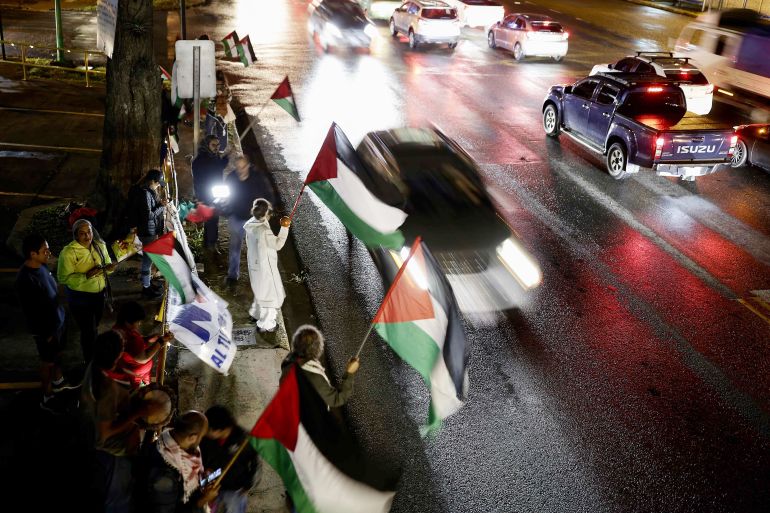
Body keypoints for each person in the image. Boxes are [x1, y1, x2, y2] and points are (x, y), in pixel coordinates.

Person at [79, 330, 166, 513]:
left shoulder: (95, 365)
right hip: (112, 452)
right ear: (119, 355)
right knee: (117, 501)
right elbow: (106, 432)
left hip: (97, 440)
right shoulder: (107, 390)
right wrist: (139, 412)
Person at [15, 233, 77, 412]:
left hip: (58, 322)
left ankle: (58, 381)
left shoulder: (41, 267)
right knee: (47, 362)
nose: (49, 252)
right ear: (33, 254)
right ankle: (47, 396)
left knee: (57, 356)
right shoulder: (25, 280)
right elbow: (32, 312)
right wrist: (46, 334)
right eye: (45, 250)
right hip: (47, 331)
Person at [137, 410, 220, 513]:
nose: (202, 440)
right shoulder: (165, 475)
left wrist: (206, 479)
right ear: (192, 438)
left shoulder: (174, 443)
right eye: (201, 437)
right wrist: (203, 500)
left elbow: (190, 484)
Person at [58, 219, 116, 364]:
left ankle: (92, 354)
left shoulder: (100, 245)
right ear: (76, 235)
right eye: (82, 233)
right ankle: (90, 362)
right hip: (80, 298)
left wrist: (110, 268)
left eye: (89, 232)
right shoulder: (69, 252)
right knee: (88, 330)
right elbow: (63, 278)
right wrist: (85, 276)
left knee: (94, 326)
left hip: (99, 295)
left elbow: (107, 266)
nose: (87, 236)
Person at [224, 156, 276, 289]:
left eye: (243, 167)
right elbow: (225, 198)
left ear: (248, 166)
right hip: (236, 219)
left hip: (254, 222)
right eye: (238, 168)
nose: (241, 171)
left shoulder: (257, 178)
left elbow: (269, 195)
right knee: (235, 247)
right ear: (235, 168)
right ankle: (232, 276)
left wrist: (267, 211)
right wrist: (226, 210)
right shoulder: (231, 178)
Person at [280, 325, 360, 409]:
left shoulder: (290, 359)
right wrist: (350, 373)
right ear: (317, 349)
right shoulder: (313, 376)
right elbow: (336, 399)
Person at [200, 406, 261, 513]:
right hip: (210, 487)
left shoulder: (244, 441)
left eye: (208, 429)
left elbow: (255, 464)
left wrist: (248, 485)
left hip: (235, 490)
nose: (204, 432)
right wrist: (206, 476)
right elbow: (203, 460)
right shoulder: (206, 440)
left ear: (219, 430)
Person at [244, 199, 291, 333]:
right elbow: (277, 244)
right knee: (271, 297)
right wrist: (284, 228)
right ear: (266, 213)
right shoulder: (264, 230)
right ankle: (266, 324)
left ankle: (255, 313)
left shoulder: (250, 224)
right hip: (265, 268)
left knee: (260, 292)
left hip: (254, 265)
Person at [110, 301, 173, 388]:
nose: (139, 324)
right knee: (137, 390)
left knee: (145, 382)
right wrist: (161, 341)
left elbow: (131, 347)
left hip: (133, 369)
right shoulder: (131, 337)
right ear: (127, 322)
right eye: (137, 322)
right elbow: (143, 358)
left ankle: (145, 385)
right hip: (135, 374)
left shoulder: (117, 329)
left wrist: (147, 339)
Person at [127, 169, 168, 299]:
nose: (158, 186)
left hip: (150, 230)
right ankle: (146, 288)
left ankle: (148, 284)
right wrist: (161, 206)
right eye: (157, 183)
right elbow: (148, 215)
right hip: (147, 231)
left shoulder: (147, 192)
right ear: (153, 181)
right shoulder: (145, 193)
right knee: (148, 259)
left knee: (149, 259)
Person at [192, 135, 229, 250]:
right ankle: (211, 243)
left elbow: (219, 167)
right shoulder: (201, 160)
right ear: (207, 145)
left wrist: (225, 158)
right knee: (212, 218)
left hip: (216, 192)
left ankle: (210, 242)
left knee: (213, 218)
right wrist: (200, 197)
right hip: (206, 194)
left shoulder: (214, 156)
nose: (216, 147)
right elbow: (198, 180)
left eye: (218, 145)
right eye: (213, 145)